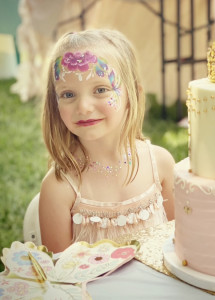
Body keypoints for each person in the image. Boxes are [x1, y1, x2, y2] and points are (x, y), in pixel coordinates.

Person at [39, 29, 175, 254]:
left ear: (132, 96)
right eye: (68, 94)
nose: (83, 107)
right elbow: (59, 279)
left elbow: (177, 249)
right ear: (55, 103)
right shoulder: (59, 189)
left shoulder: (160, 165)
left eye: (101, 89)